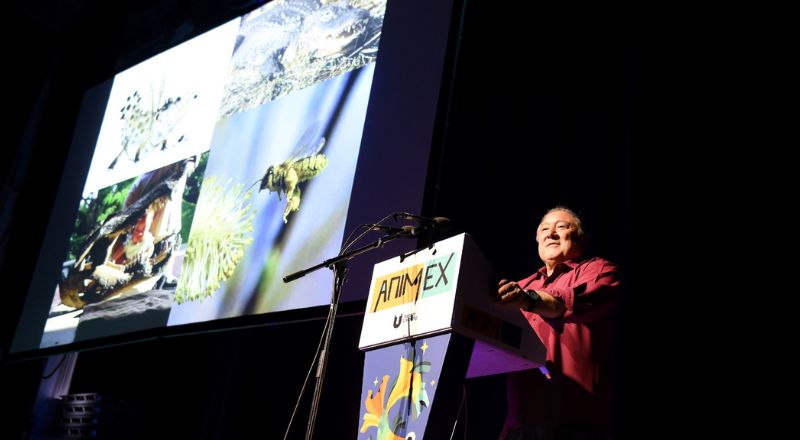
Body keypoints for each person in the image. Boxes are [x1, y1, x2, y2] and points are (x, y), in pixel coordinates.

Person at [495, 207, 621, 440]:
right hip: (518, 425)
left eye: (561, 227)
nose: (550, 233)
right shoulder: (523, 285)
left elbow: (565, 303)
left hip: (575, 422)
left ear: (581, 238)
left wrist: (528, 299)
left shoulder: (600, 270)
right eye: (544, 229)